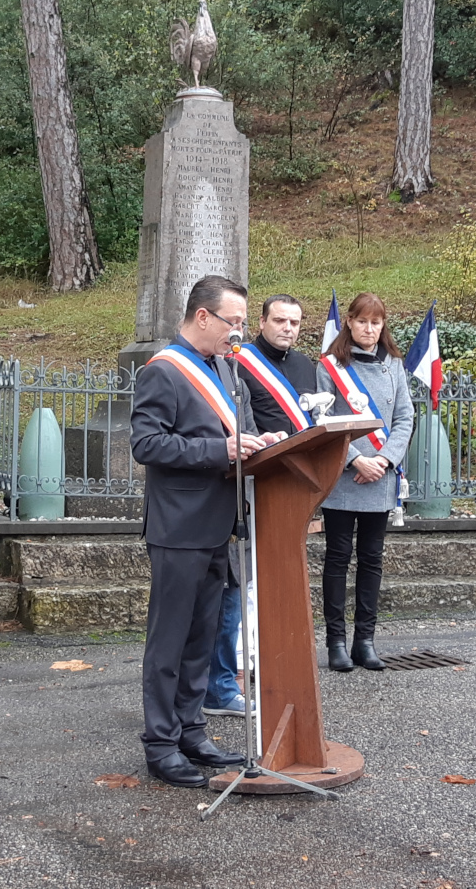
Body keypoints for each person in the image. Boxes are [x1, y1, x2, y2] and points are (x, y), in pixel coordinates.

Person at [129, 274, 275, 789]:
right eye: (233, 322)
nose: (238, 333)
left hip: (218, 523)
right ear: (203, 316)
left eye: (241, 323)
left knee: (202, 638)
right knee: (169, 641)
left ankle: (192, 730)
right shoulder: (164, 371)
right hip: (177, 525)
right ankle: (161, 744)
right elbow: (146, 445)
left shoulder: (226, 370)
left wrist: (262, 442)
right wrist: (220, 452)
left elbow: (233, 434)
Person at [215, 294, 318, 714]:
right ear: (262, 322)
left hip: (292, 486)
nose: (287, 328)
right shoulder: (241, 363)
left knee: (266, 581)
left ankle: (260, 659)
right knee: (237, 586)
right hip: (245, 489)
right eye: (279, 320)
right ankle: (231, 670)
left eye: (295, 322)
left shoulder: (307, 366)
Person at [315, 292, 415, 672]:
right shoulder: (330, 366)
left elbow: (405, 418)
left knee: (372, 559)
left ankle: (365, 641)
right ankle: (336, 642)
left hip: (381, 476)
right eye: (362, 321)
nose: (369, 329)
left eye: (376, 322)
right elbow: (324, 420)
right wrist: (358, 459)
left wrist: (384, 459)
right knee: (338, 558)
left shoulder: (394, 365)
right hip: (344, 475)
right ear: (350, 323)